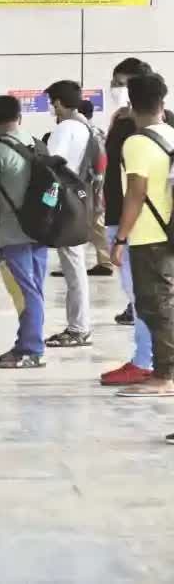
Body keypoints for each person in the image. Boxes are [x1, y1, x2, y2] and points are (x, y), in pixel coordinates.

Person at [111, 73, 174, 399]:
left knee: (154, 306)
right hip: (169, 231)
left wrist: (120, 238)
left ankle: (165, 375)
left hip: (149, 236)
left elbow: (136, 192)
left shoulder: (137, 142)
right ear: (162, 101)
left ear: (131, 105)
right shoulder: (170, 134)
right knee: (162, 303)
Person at [101, 58, 159, 386]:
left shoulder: (135, 130)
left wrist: (121, 235)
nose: (116, 89)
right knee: (141, 295)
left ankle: (145, 361)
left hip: (134, 221)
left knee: (141, 296)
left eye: (121, 83)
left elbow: (137, 186)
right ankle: (149, 358)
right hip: (125, 218)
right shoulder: (123, 122)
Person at [0, 95, 47, 368]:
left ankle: (32, 349)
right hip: (41, 230)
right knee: (34, 290)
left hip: (12, 233)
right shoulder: (37, 144)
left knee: (25, 292)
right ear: (19, 117)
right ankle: (25, 344)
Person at [40, 80, 94, 348]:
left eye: (52, 102)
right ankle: (79, 326)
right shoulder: (85, 126)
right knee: (75, 264)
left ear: (59, 102)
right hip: (81, 198)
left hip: (65, 201)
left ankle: (79, 328)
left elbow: (53, 167)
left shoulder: (65, 128)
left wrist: (44, 202)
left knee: (73, 266)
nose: (52, 107)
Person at [78, 98, 114, 276]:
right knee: (92, 223)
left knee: (96, 222)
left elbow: (100, 161)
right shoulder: (93, 131)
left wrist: (98, 187)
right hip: (92, 184)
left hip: (92, 185)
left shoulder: (91, 132)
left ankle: (106, 262)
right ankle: (104, 261)